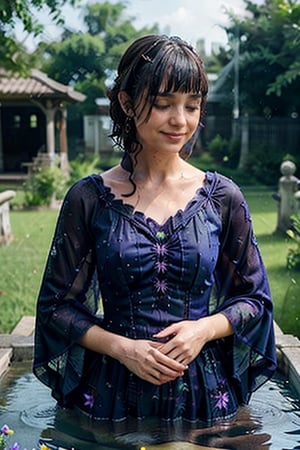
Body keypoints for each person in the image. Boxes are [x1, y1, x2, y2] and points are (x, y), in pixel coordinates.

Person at [33, 34, 277, 427]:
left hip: (203, 401)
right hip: (111, 400)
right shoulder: (88, 198)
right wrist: (122, 347)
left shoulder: (222, 197)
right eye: (164, 104)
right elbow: (55, 308)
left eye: (192, 106)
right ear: (127, 103)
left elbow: (255, 301)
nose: (180, 120)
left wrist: (203, 329)